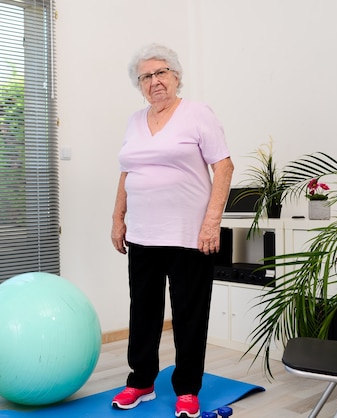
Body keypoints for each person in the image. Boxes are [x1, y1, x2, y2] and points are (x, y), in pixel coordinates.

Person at [110, 43, 234, 418]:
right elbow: (127, 171)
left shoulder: (198, 114)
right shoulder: (135, 120)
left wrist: (212, 223)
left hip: (188, 233)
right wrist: (118, 218)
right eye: (146, 76)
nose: (154, 81)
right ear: (140, 85)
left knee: (189, 314)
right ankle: (142, 381)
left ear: (176, 76)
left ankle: (187, 388)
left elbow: (224, 168)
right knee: (143, 311)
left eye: (161, 72)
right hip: (143, 234)